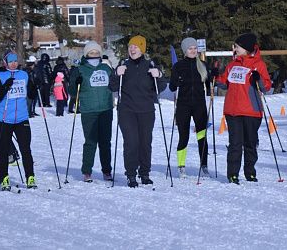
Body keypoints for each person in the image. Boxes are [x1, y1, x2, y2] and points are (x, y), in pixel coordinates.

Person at [213, 33, 272, 184]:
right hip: (233, 110)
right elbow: (224, 83)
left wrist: (258, 78)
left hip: (252, 110)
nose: (235, 48)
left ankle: (250, 172)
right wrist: (215, 76)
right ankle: (232, 173)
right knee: (235, 144)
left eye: (237, 46)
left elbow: (266, 87)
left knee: (250, 143)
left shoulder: (259, 64)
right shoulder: (233, 64)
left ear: (245, 48)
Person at [109, 35, 166, 187]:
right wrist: (116, 74)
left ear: (142, 48)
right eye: (130, 46)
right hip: (127, 110)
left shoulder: (150, 65)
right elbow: (112, 87)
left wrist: (159, 75)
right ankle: (131, 175)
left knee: (145, 143)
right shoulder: (123, 65)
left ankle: (145, 173)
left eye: (136, 46)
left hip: (146, 110)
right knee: (131, 142)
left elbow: (160, 87)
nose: (132, 49)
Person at [0, 51, 37, 190]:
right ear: (5, 62)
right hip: (4, 119)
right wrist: (6, 87)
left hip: (22, 118)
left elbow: (31, 94)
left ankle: (30, 177)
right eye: (10, 61)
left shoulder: (23, 75)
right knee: (4, 150)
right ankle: (4, 177)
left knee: (26, 149)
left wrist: (35, 86)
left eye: (15, 60)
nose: (13, 63)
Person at [69, 41, 114, 182]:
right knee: (90, 142)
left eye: (96, 52)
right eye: (91, 52)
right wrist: (75, 81)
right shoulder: (80, 69)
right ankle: (87, 171)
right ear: (86, 54)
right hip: (89, 110)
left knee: (105, 142)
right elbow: (71, 92)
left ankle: (107, 171)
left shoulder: (106, 68)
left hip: (106, 109)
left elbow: (114, 84)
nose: (94, 55)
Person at [169, 37, 210, 179]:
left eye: (194, 48)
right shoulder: (178, 66)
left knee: (202, 136)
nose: (193, 51)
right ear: (185, 51)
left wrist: (214, 74)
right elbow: (172, 87)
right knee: (183, 136)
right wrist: (176, 80)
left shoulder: (203, 65)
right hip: (183, 105)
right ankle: (181, 166)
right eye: (189, 48)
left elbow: (211, 84)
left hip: (199, 106)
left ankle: (204, 165)